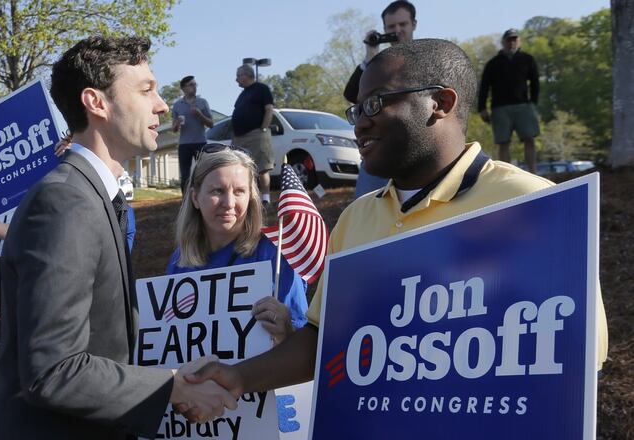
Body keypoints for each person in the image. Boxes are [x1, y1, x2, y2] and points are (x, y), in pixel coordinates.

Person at [181, 39, 608, 420]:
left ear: (440, 102)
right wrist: (236, 376)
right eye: (356, 110)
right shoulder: (357, 217)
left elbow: (576, 362)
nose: (359, 124)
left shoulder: (531, 202)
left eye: (375, 103)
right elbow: (322, 338)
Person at [0, 36, 236, 440]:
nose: (161, 105)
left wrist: (171, 378)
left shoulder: (92, 195)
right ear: (96, 102)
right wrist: (172, 388)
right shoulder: (66, 201)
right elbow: (53, 371)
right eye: (146, 90)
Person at [167, 146, 308, 344]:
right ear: (195, 197)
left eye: (239, 191)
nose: (229, 203)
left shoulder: (276, 256)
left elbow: (303, 343)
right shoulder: (179, 259)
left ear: (251, 196)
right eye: (218, 190)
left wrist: (287, 331)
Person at [344, 0, 418, 199]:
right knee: (366, 212)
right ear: (384, 29)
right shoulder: (378, 64)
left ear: (414, 24)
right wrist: (370, 56)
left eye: (403, 25)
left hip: (418, 149)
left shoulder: (427, 58)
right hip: (379, 146)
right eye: (391, 27)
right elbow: (352, 94)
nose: (398, 30)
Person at [478, 28, 540, 172]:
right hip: (500, 108)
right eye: (509, 39)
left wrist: (533, 103)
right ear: (503, 42)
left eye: (515, 39)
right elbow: (484, 87)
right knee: (503, 142)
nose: (512, 42)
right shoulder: (493, 64)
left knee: (529, 139)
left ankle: (533, 171)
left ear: (519, 41)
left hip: (523, 105)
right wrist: (482, 108)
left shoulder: (527, 59)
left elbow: (535, 82)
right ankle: (506, 174)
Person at [232, 64, 274, 206]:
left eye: (238, 75)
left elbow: (269, 109)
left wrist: (263, 129)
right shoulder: (242, 94)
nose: (236, 79)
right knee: (242, 168)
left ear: (246, 75)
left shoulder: (261, 89)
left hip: (256, 134)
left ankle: (266, 198)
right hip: (239, 137)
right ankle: (249, 197)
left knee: (261, 167)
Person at [172, 75, 213, 193]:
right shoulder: (177, 105)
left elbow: (211, 124)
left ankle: (204, 197)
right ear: (184, 88)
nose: (194, 87)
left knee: (203, 171)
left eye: (195, 84)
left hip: (200, 142)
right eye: (191, 85)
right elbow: (174, 129)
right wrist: (177, 123)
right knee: (185, 174)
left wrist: (200, 114)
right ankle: (185, 201)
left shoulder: (202, 102)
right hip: (184, 144)